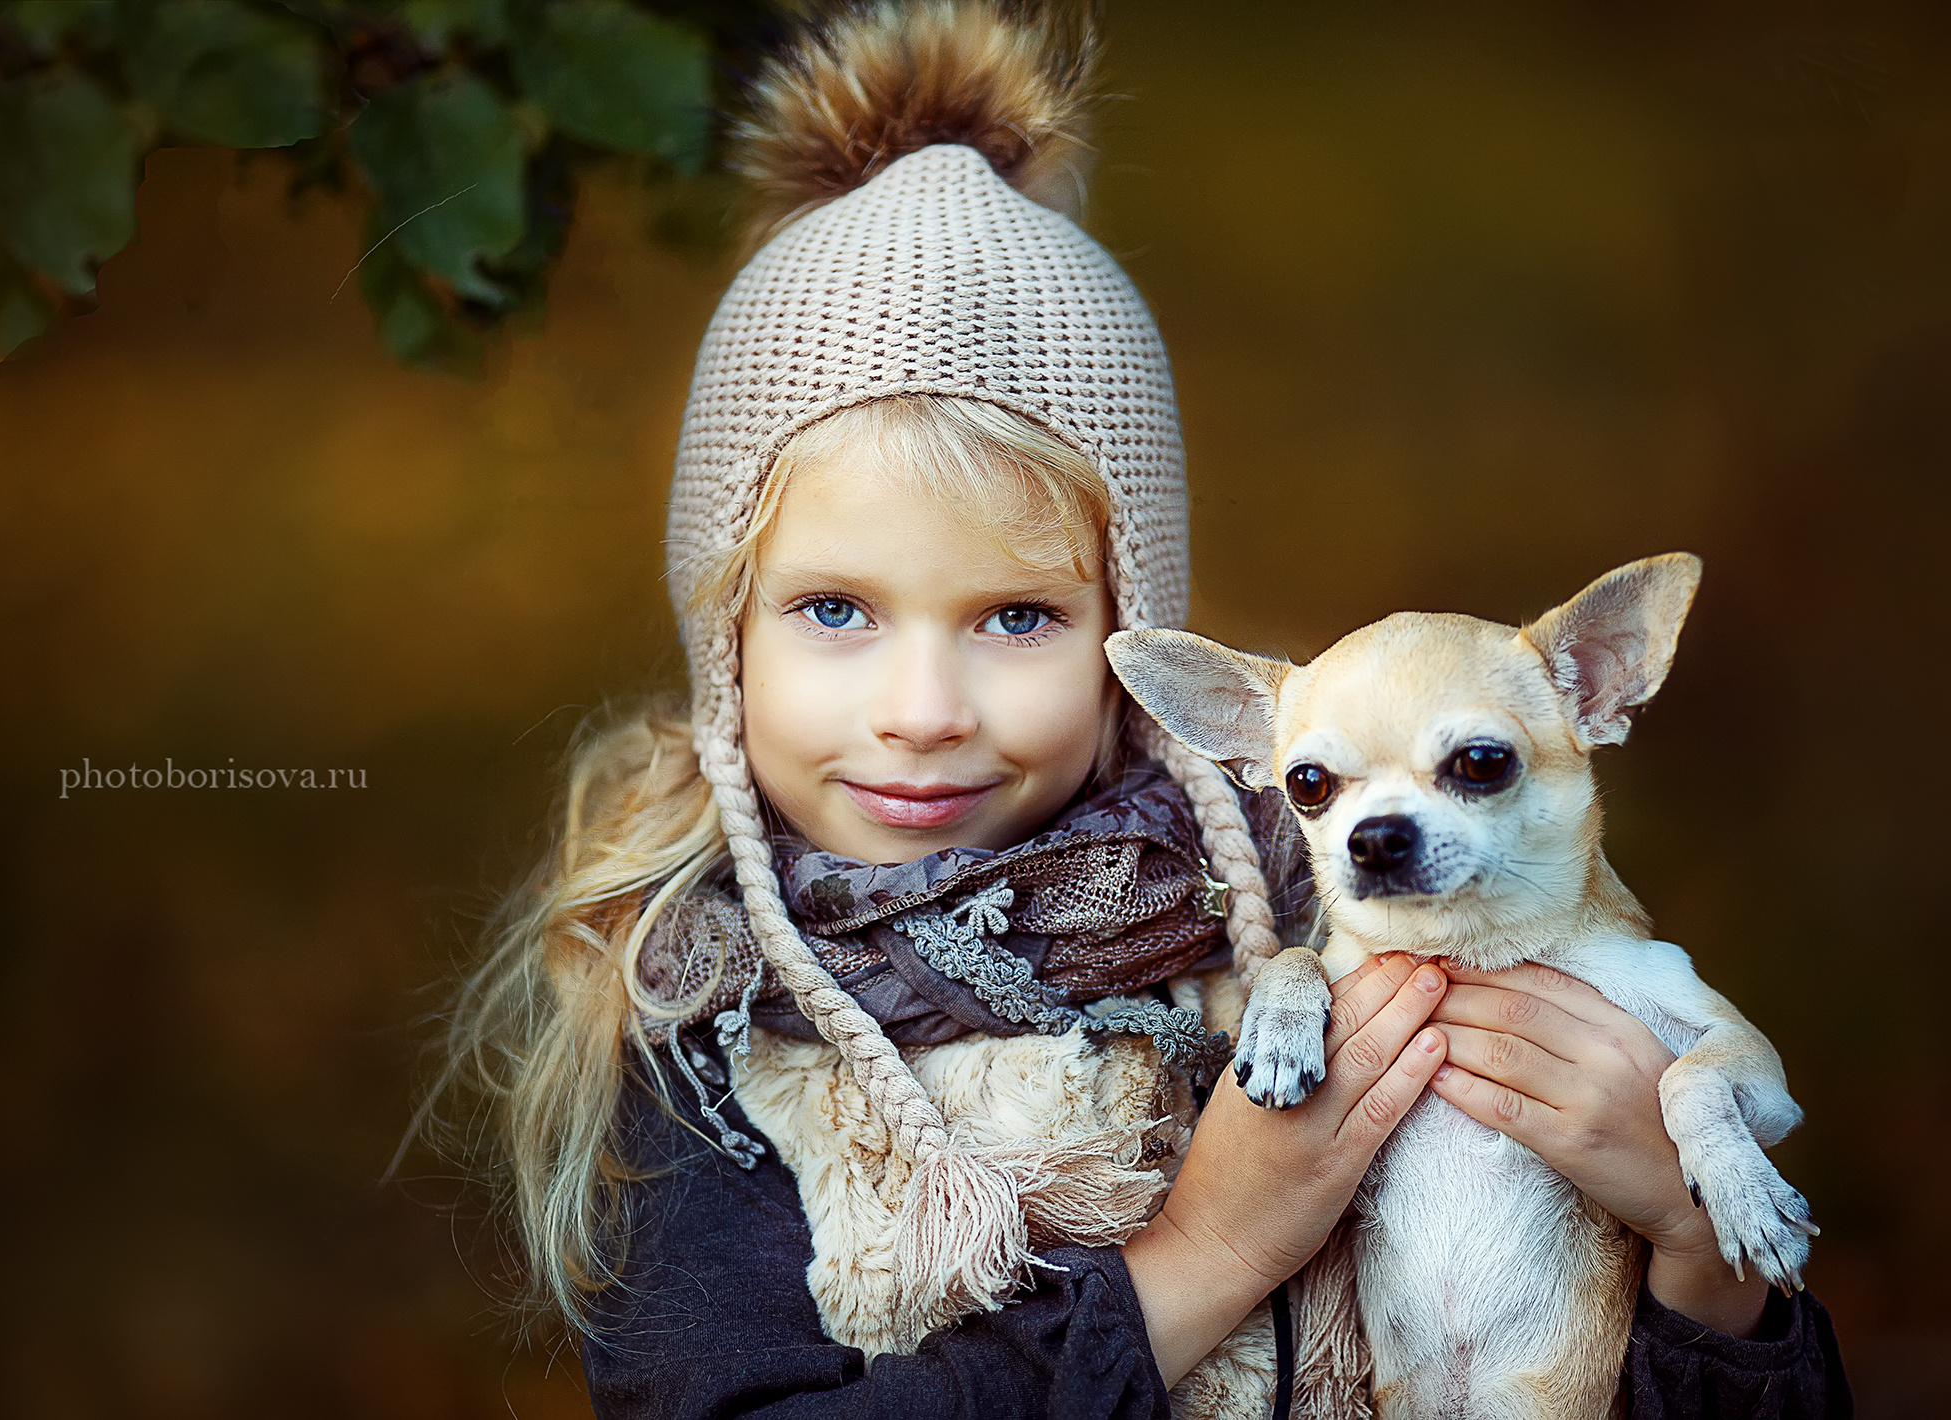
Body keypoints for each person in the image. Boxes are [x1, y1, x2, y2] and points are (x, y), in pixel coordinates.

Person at [441, 5, 1848, 1416]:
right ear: (723, 641)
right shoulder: (703, 1027)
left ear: (1133, 639)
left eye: (1016, 617)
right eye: (834, 610)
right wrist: (1206, 1253)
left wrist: (1695, 1251)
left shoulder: (1321, 914)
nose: (923, 711)